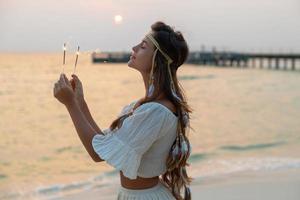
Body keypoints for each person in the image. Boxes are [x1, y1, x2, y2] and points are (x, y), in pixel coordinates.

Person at [53, 21, 193, 200]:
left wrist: (70, 104)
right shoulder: (147, 106)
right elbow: (104, 146)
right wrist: (80, 102)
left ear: (157, 60)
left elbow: (95, 154)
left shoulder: (155, 112)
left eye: (142, 46)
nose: (133, 48)